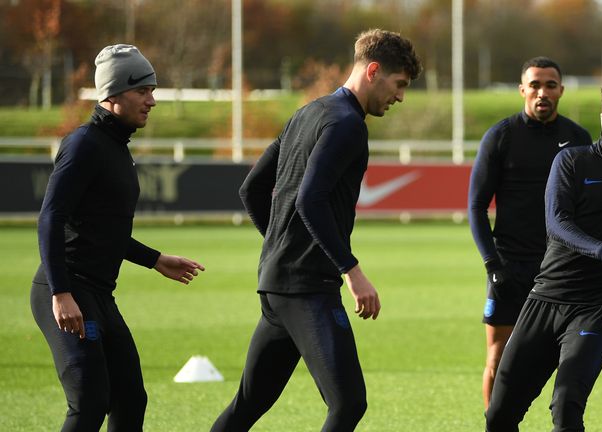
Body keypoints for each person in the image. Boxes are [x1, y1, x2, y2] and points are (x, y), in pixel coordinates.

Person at [210, 29, 421, 432]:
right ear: (373, 71)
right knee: (348, 405)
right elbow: (311, 200)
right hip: (307, 289)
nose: (400, 97)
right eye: (399, 85)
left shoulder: (307, 112)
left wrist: (281, 246)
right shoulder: (347, 125)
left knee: (248, 405)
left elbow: (251, 188)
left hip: (277, 285)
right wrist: (351, 270)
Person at [30, 44, 205, 431]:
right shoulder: (83, 144)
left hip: (98, 294)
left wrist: (155, 259)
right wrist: (61, 293)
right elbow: (50, 218)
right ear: (113, 94)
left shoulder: (116, 147)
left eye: (152, 90)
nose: (152, 100)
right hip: (67, 290)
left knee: (129, 399)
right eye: (142, 90)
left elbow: (102, 230)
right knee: (90, 402)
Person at [485, 70, 602, 431]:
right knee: (499, 414)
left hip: (595, 311)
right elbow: (558, 225)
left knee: (567, 408)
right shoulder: (571, 162)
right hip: (545, 299)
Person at [468, 56, 591, 410]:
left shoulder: (577, 139)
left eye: (550, 85)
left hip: (559, 268)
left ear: (561, 91)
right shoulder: (501, 136)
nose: (542, 92)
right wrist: (492, 263)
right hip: (509, 267)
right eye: (534, 84)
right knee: (499, 357)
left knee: (563, 358)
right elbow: (476, 207)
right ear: (522, 89)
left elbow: (586, 208)